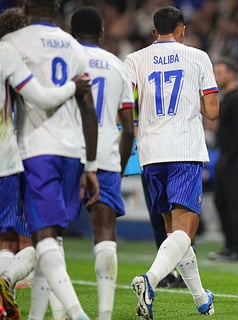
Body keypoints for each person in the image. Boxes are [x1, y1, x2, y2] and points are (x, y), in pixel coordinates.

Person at [1, 1, 100, 319]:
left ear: (27, 6)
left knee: (38, 237)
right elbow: (88, 107)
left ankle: (67, 311)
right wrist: (92, 164)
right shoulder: (72, 45)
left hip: (32, 148)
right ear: (57, 7)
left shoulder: (11, 45)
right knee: (48, 238)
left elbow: (32, 97)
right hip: (68, 149)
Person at [124, 6, 219, 319]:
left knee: (172, 235)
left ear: (154, 32)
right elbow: (212, 110)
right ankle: (150, 281)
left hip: (150, 153)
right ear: (183, 30)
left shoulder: (135, 59)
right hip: (185, 149)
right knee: (184, 232)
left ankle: (201, 298)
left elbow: (124, 108)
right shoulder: (198, 57)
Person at [68, 7, 135, 320]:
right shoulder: (117, 66)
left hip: (63, 153)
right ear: (102, 33)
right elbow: (129, 129)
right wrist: (119, 170)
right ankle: (105, 315)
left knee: (47, 233)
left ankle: (59, 312)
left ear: (71, 32)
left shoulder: (63, 60)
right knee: (105, 231)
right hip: (106, 158)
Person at [207, 58, 238, 261]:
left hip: (233, 157)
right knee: (221, 201)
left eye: (220, 73)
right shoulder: (227, 98)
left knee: (233, 203)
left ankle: (237, 249)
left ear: (231, 74)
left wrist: (228, 158)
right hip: (225, 155)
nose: (216, 77)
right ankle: (228, 246)